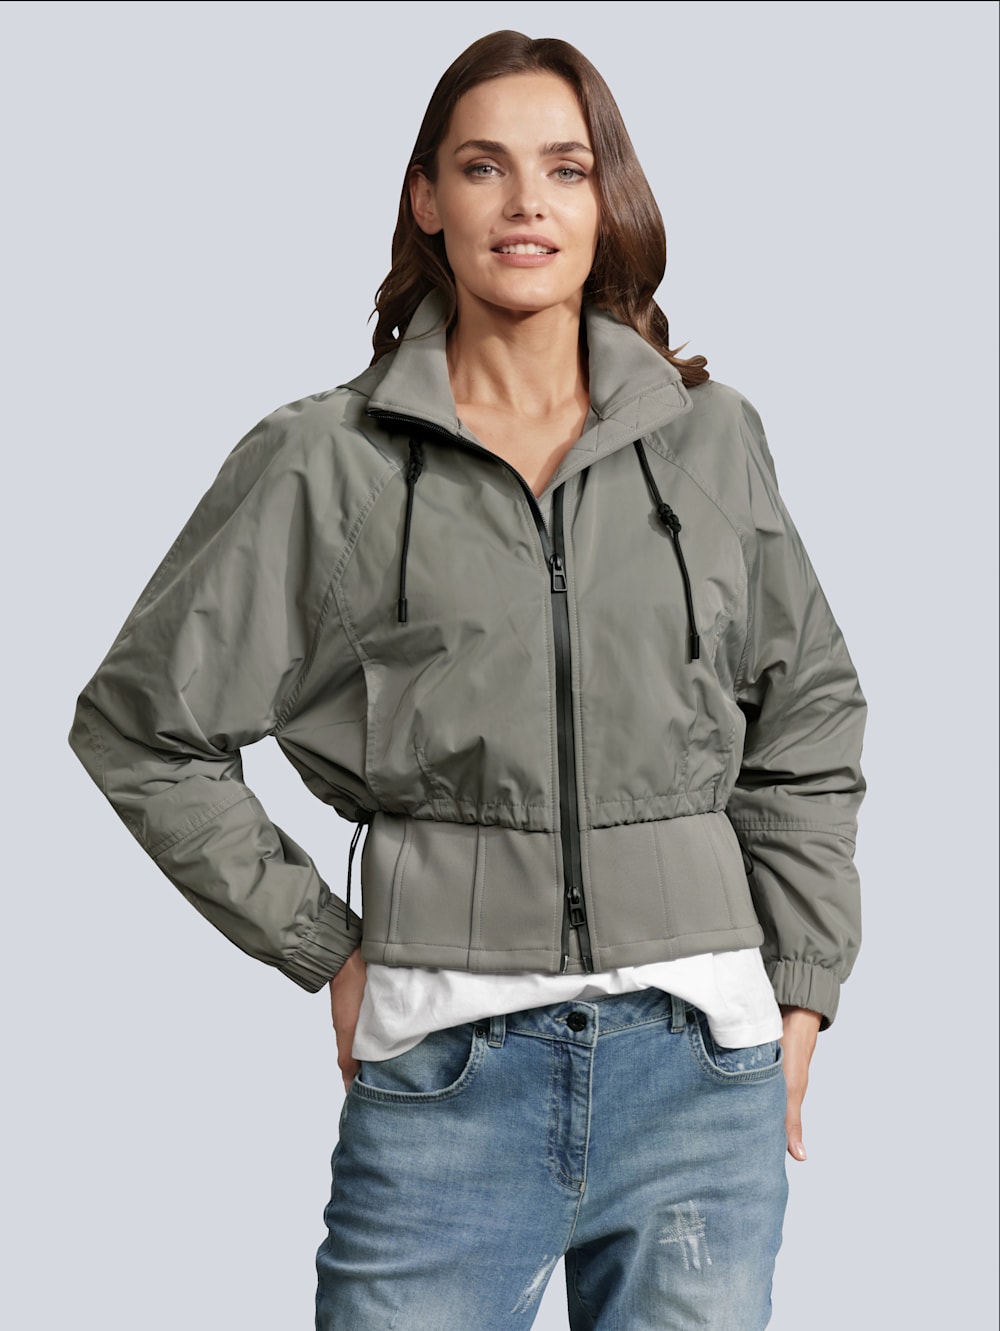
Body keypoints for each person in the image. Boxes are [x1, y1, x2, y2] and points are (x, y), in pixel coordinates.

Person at [68, 29, 866, 1331]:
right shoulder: (326, 460)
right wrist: (321, 944)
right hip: (448, 1072)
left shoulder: (711, 439)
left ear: (606, 203)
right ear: (428, 200)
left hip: (702, 1076)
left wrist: (802, 987)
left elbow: (809, 716)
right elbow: (140, 728)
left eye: (565, 167)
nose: (526, 202)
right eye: (484, 167)